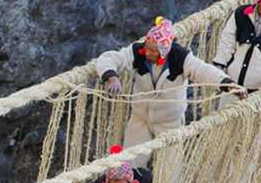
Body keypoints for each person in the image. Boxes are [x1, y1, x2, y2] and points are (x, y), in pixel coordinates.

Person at [97, 16, 242, 168]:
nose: (146, 52)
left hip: (170, 124)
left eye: (152, 50)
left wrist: (228, 84)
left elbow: (203, 70)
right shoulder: (137, 52)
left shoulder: (180, 58)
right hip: (140, 119)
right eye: (146, 47)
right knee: (129, 166)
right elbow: (109, 58)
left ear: (163, 52)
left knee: (169, 171)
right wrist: (111, 77)